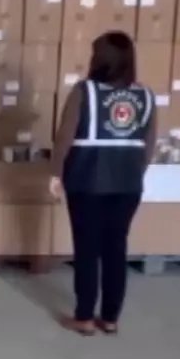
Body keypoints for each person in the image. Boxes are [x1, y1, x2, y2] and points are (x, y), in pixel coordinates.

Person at [49, 31, 156, 337]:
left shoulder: (85, 91)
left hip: (87, 181)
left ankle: (84, 317)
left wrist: (56, 173)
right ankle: (110, 317)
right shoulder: (145, 95)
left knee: (87, 249)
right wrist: (134, 174)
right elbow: (149, 145)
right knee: (115, 248)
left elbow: (65, 136)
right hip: (128, 184)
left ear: (100, 59)